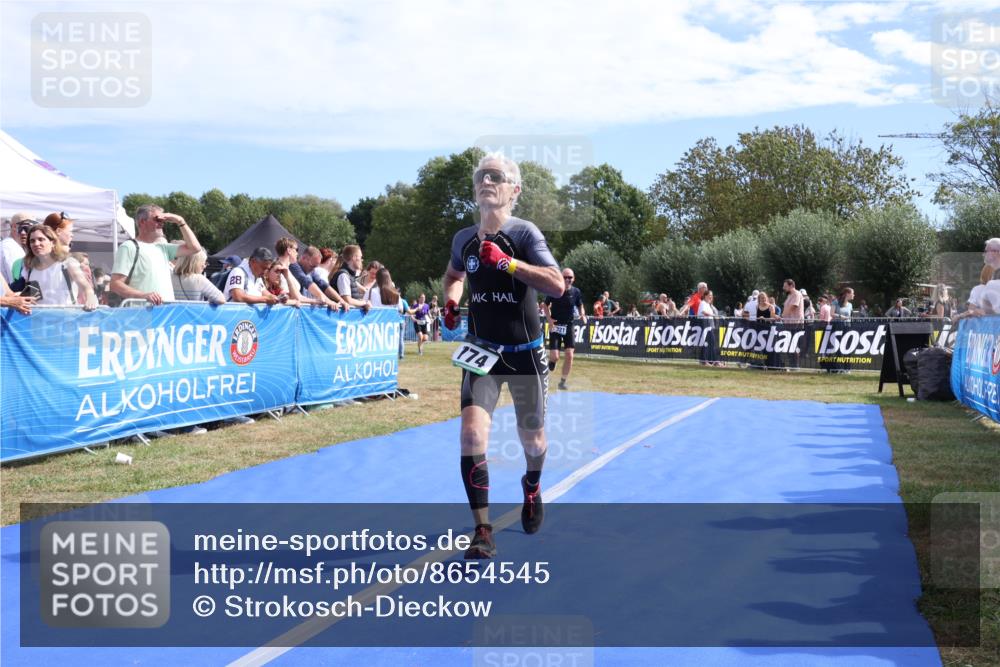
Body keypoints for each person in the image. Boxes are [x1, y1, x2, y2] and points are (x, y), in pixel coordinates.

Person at [441, 153, 563, 559]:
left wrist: (509, 264)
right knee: (472, 435)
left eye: (497, 176)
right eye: (481, 176)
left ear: (515, 190)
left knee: (534, 440)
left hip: (526, 354)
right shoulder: (463, 240)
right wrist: (451, 300)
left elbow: (556, 284)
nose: (486, 181)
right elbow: (454, 275)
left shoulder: (525, 234)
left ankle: (532, 485)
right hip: (482, 351)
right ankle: (483, 530)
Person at [109, 204, 202, 305]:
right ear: (142, 222)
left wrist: (180, 221)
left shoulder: (162, 247)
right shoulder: (129, 247)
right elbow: (115, 284)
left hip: (164, 313)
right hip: (142, 314)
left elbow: (195, 248)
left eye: (163, 220)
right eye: (157, 219)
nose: (162, 223)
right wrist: (143, 296)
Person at [21, 224, 97, 310]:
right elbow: (31, 297)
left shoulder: (68, 263)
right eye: (32, 241)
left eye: (41, 239)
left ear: (52, 242)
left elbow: (86, 287)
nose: (36, 243)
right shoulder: (29, 269)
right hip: (39, 320)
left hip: (66, 320)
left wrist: (90, 297)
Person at [542, 268, 586, 391]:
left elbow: (580, 304)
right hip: (555, 326)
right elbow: (545, 305)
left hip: (569, 325)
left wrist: (582, 313)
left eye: (570, 277)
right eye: (565, 277)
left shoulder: (576, 291)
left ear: (573, 278)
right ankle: (552, 362)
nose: (567, 279)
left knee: (569, 355)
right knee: (555, 357)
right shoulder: (554, 289)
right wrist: (549, 319)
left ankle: (562, 382)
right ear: (561, 277)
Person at [289, 246, 349, 310]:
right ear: (304, 258)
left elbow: (323, 285)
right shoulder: (293, 266)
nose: (313, 269)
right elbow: (306, 281)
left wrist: (342, 301)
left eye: (316, 267)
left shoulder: (312, 271)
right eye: (312, 266)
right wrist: (327, 301)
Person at [332, 244, 373, 310]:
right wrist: (364, 303)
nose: (362, 260)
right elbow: (347, 300)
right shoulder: (343, 275)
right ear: (354, 258)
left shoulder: (349, 275)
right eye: (360, 257)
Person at [1, 213, 33, 284]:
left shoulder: (13, 246)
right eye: (27, 228)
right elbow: (16, 280)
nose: (30, 232)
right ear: (14, 227)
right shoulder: (11, 248)